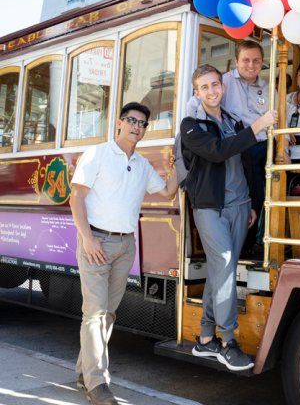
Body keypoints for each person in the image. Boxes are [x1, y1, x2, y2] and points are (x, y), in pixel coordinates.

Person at [70, 102, 178, 405]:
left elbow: (167, 191)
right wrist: (88, 239)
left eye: (142, 124)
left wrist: (183, 162)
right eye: (131, 121)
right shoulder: (98, 153)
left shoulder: (142, 165)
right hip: (96, 242)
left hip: (125, 245)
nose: (136, 127)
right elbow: (76, 197)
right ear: (119, 123)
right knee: (94, 313)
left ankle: (83, 372)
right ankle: (97, 384)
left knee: (107, 313)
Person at [180, 65, 276, 371]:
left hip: (239, 204)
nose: (211, 91)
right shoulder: (191, 125)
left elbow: (245, 163)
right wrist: (258, 126)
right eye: (204, 87)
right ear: (197, 92)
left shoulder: (233, 120)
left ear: (223, 87)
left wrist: (250, 203)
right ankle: (227, 341)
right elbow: (219, 152)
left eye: (215, 85)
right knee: (223, 265)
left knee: (222, 270)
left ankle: (205, 338)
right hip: (210, 208)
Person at [188, 40, 269, 255]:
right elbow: (195, 106)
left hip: (261, 144)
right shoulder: (222, 81)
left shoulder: (267, 86)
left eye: (256, 60)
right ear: (236, 61)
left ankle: (257, 241)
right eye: (246, 60)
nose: (251, 65)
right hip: (235, 144)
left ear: (262, 62)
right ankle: (248, 245)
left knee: (262, 192)